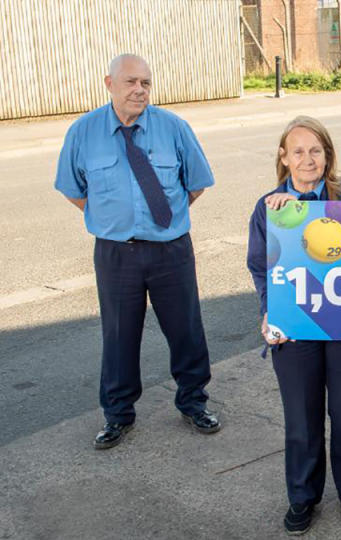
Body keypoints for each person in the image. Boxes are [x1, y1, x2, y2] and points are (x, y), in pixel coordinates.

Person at [54, 54, 220, 450]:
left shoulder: (173, 128)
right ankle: (117, 414)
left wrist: (163, 219)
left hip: (170, 250)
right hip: (116, 254)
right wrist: (115, 221)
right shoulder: (84, 132)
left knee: (186, 330)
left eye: (145, 82)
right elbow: (73, 189)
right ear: (108, 82)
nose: (139, 90)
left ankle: (194, 401)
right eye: (130, 82)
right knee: (118, 335)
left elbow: (195, 183)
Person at [247, 116, 341, 535]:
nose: (308, 160)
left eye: (316, 151)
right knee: (302, 420)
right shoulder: (269, 207)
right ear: (284, 158)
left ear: (328, 156)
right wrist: (272, 312)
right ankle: (303, 496)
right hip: (296, 327)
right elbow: (259, 267)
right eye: (299, 151)